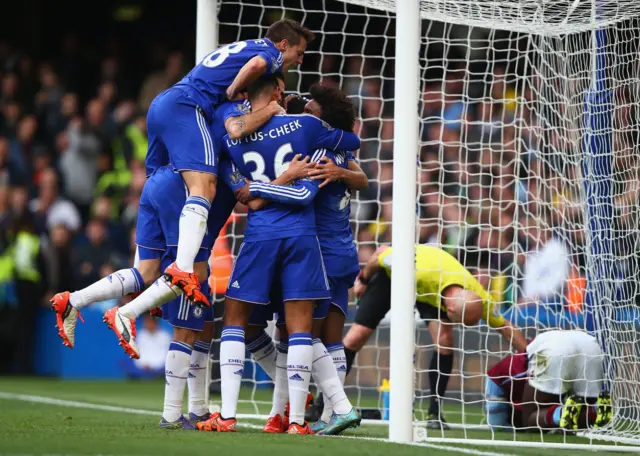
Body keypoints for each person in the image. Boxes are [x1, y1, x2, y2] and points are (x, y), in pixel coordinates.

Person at [49, 83, 287, 350]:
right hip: (182, 195)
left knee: (147, 272)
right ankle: (125, 313)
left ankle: (73, 300)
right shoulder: (236, 124)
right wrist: (291, 176)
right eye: (279, 91)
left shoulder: (207, 115)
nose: (281, 99)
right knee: (191, 273)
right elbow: (250, 192)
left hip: (158, 183)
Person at [195, 73, 361, 435]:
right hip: (307, 238)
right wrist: (290, 177)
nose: (291, 99)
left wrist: (260, 188)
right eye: (284, 92)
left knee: (245, 323)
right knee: (296, 330)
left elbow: (245, 191)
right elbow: (352, 139)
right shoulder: (306, 127)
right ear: (273, 94)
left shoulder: (229, 137)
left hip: (276, 238)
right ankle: (296, 417)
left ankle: (243, 414)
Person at [147, 19, 314, 309]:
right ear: (284, 45)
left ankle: (139, 292)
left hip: (167, 108)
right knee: (204, 187)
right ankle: (178, 270)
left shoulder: (242, 51)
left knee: (161, 201)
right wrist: (234, 89)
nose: (299, 61)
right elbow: (240, 117)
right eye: (298, 53)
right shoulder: (267, 55)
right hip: (185, 108)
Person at [344, 244, 528, 429]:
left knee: (445, 340)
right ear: (450, 310)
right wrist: (363, 279)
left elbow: (505, 327)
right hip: (396, 277)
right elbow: (380, 253)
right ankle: (326, 404)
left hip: (429, 292)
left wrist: (530, 355)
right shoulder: (420, 270)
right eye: (458, 321)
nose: (457, 325)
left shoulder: (479, 296)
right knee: (355, 337)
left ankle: (434, 412)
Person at [486, 330, 612, 431]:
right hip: (590, 345)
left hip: (554, 350)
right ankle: (595, 410)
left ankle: (561, 413)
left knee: (530, 419)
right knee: (583, 410)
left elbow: (497, 425)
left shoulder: (501, 372)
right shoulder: (525, 354)